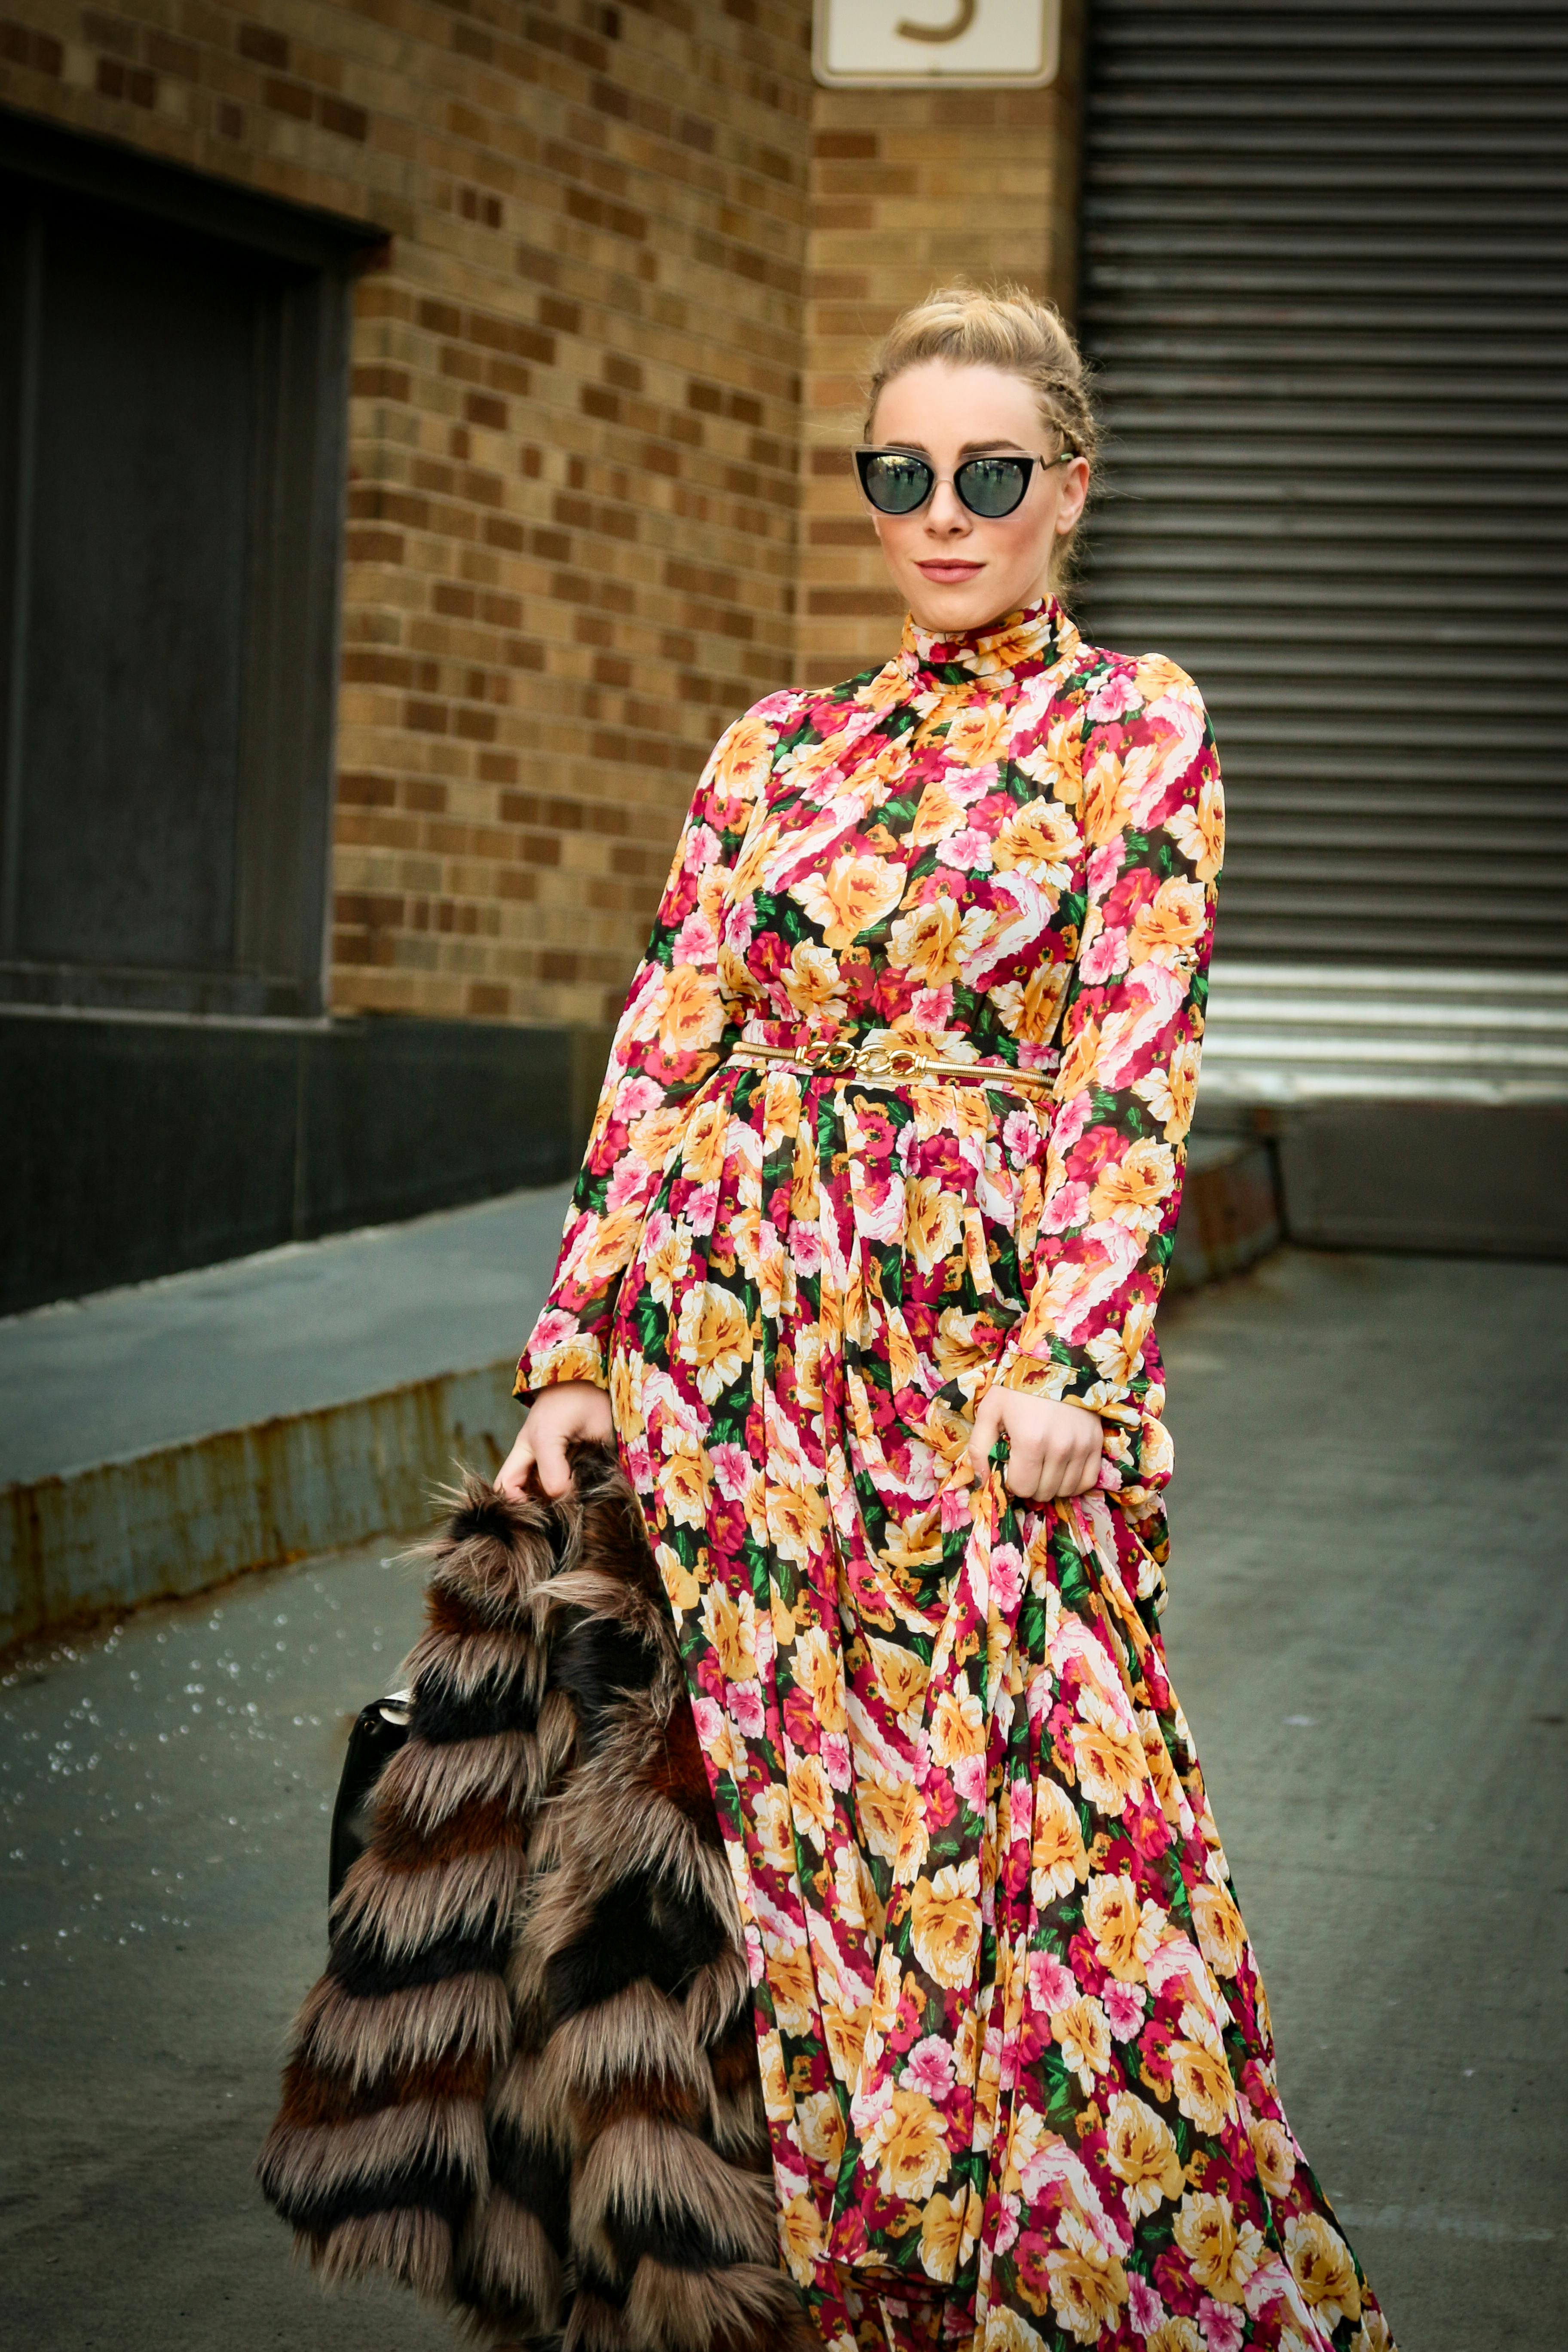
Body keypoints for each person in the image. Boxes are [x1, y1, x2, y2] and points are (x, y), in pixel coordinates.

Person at [499, 285, 1394, 2352]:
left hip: (981, 1382)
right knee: (796, 1874)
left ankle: (1102, 2293)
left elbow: (1126, 1062)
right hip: (738, 1385)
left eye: (990, 474)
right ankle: (847, 2296)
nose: (943, 513)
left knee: (1062, 1864)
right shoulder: (774, 747)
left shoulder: (1132, 723)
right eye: (900, 474)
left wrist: (1077, 1361)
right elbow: (663, 1056)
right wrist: (573, 1351)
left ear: (1068, 490)